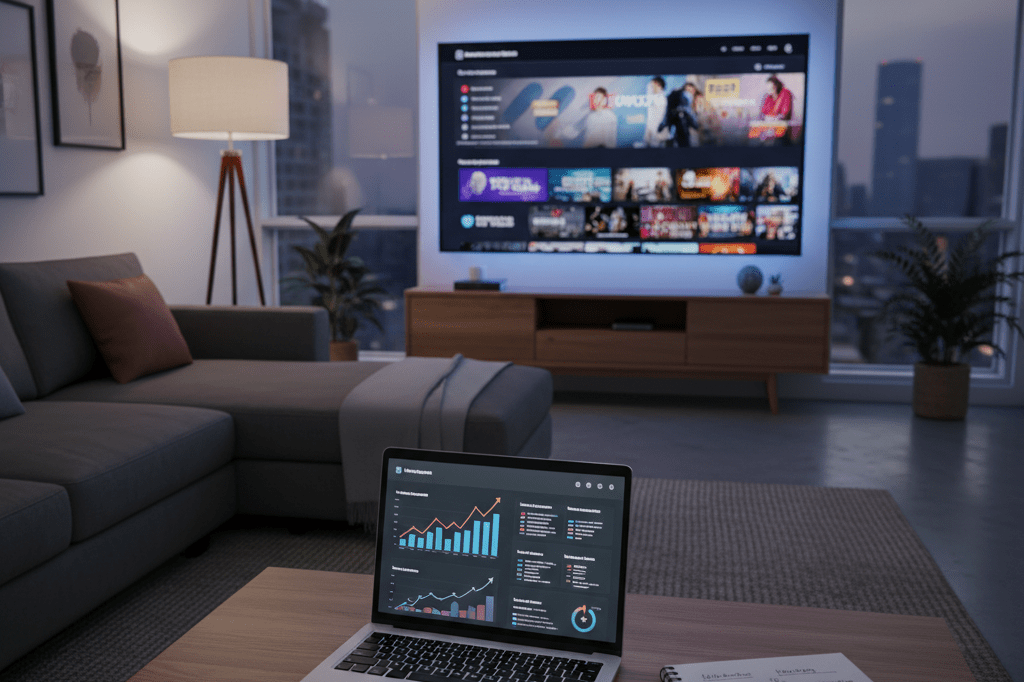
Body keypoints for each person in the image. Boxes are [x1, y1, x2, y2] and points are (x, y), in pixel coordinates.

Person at [643, 77, 669, 147]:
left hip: (658, 133)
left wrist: (651, 134)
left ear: (658, 85)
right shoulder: (654, 97)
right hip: (652, 132)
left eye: (652, 85)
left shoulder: (661, 99)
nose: (651, 87)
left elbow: (658, 119)